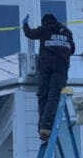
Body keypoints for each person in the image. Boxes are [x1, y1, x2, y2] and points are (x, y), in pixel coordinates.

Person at [22, 12, 75, 140]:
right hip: (61, 67)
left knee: (43, 96)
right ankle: (45, 126)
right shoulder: (67, 32)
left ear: (45, 22)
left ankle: (43, 127)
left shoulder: (44, 29)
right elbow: (72, 49)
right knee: (54, 96)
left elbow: (29, 34)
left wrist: (25, 24)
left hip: (45, 66)